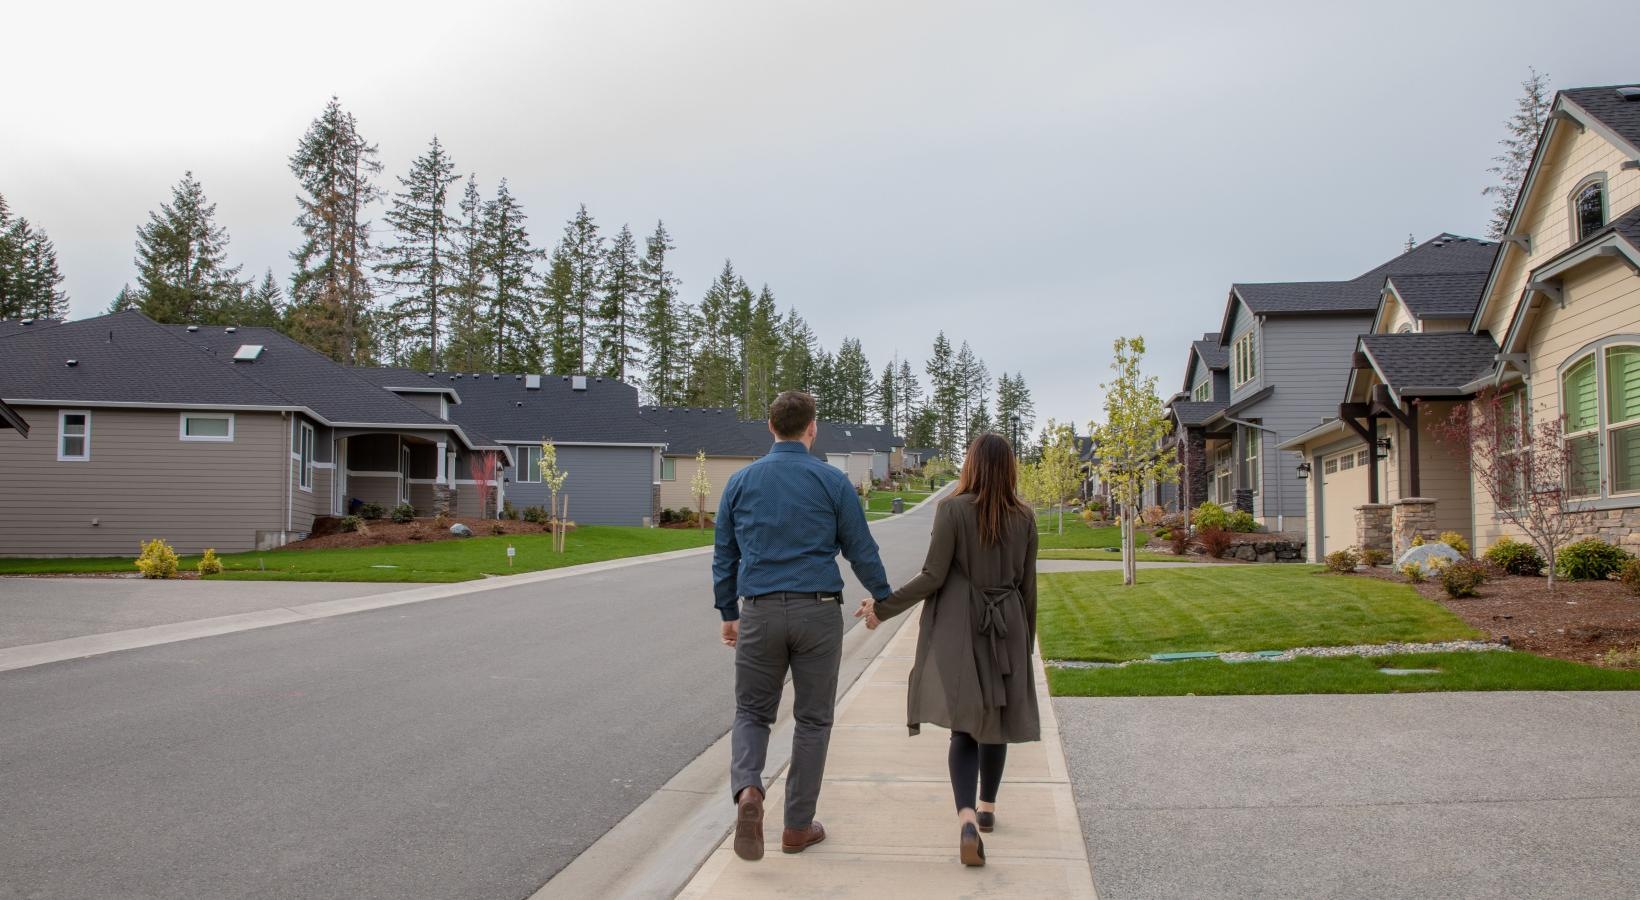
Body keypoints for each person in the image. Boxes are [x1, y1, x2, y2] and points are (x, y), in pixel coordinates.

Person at [713, 390, 892, 862]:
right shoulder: (832, 482)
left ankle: (749, 792)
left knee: (753, 713)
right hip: (817, 613)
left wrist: (728, 613)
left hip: (759, 611)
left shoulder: (740, 482)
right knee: (812, 719)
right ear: (812, 428)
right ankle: (796, 827)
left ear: (771, 427)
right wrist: (884, 601)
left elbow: (725, 555)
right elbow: (861, 549)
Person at [854, 432, 1039, 868]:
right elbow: (1028, 588)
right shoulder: (1025, 517)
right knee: (996, 717)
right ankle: (989, 808)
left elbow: (933, 576)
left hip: (963, 627)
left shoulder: (953, 509)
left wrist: (883, 607)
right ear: (1010, 467)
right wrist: (1024, 643)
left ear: (971, 465)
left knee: (965, 726)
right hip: (1007, 624)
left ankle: (967, 818)